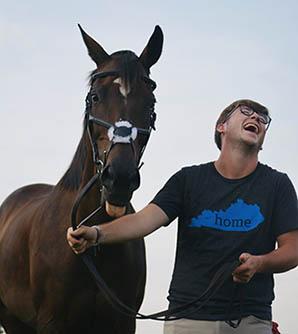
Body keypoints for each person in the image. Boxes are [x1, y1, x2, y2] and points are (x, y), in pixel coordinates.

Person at [67, 99, 298, 334]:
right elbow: (145, 219)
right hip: (186, 321)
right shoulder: (187, 180)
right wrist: (97, 233)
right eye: (247, 112)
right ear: (222, 126)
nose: (256, 118)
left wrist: (260, 263)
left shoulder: (277, 184)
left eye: (262, 118)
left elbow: (293, 249)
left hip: (250, 321)